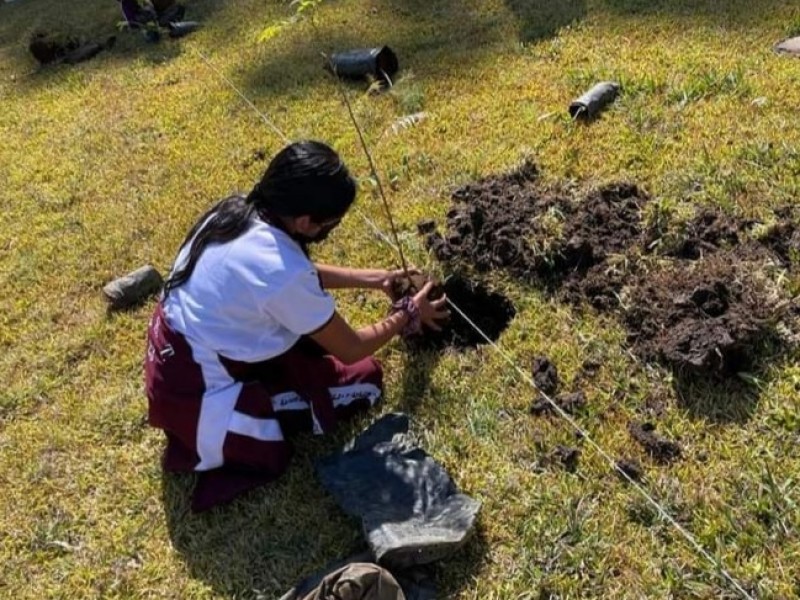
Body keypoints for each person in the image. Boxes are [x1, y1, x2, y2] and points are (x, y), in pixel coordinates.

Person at [144, 140, 449, 511]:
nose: (330, 231)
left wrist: (375, 278)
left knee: (328, 362)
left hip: (188, 347)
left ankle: (262, 391)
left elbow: (295, 275)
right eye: (332, 224)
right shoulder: (279, 270)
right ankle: (250, 411)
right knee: (364, 381)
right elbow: (350, 347)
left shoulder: (236, 211)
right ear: (306, 222)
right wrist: (407, 313)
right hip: (193, 390)